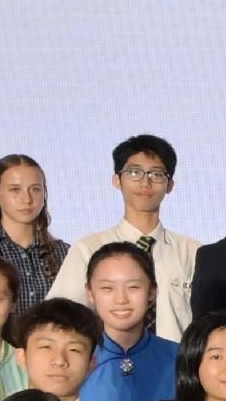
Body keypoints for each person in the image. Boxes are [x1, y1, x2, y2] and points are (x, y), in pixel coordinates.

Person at [53, 134, 199, 343]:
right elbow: (61, 314)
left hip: (176, 368)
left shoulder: (193, 252)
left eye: (156, 174)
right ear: (116, 180)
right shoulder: (88, 248)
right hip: (108, 366)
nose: (145, 182)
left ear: (169, 185)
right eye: (134, 172)